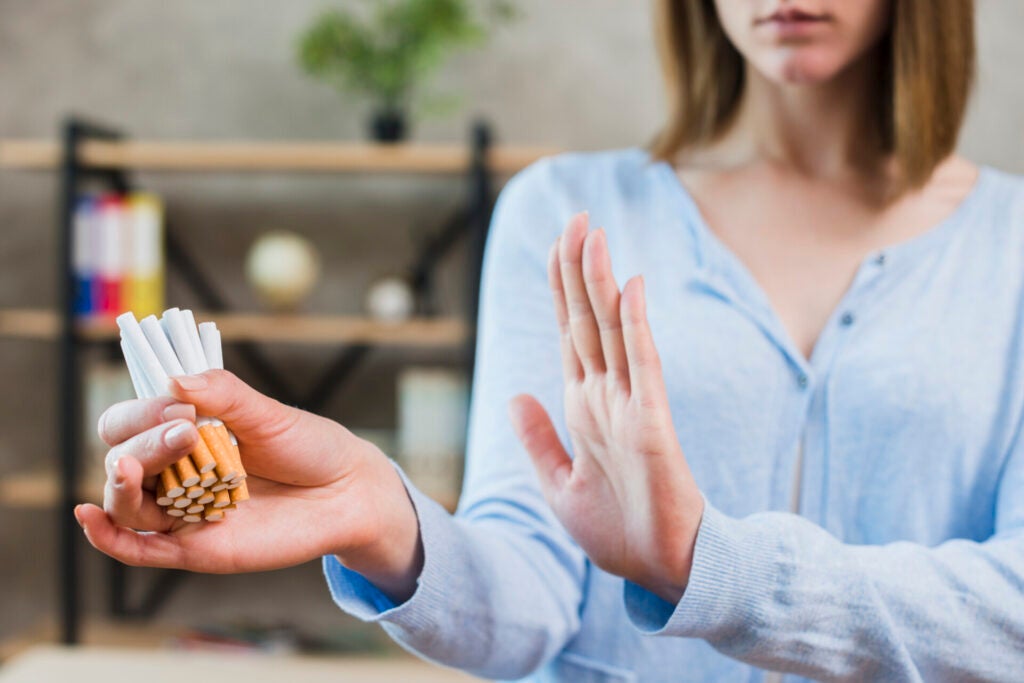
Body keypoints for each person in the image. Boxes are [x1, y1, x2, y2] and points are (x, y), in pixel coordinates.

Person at [77, 0, 1024, 680]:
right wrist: (378, 517)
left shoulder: (1012, 245)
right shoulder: (570, 210)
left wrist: (708, 564)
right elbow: (525, 608)